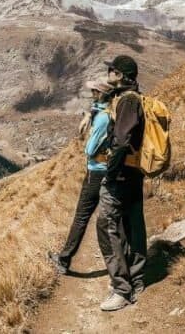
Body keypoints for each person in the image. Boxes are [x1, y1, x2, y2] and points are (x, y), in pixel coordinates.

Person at [96, 54, 148, 312]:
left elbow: (121, 141)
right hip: (134, 172)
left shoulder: (127, 101)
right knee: (132, 224)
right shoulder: (135, 98)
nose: (109, 74)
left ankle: (121, 289)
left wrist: (110, 172)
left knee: (107, 226)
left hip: (121, 175)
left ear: (121, 75)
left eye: (112, 70)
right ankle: (136, 280)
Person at [48, 80, 114, 275]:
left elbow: (90, 149)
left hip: (96, 171)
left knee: (81, 217)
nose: (92, 93)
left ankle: (64, 259)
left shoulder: (102, 118)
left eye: (94, 91)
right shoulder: (108, 112)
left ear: (101, 94)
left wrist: (88, 133)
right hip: (106, 170)